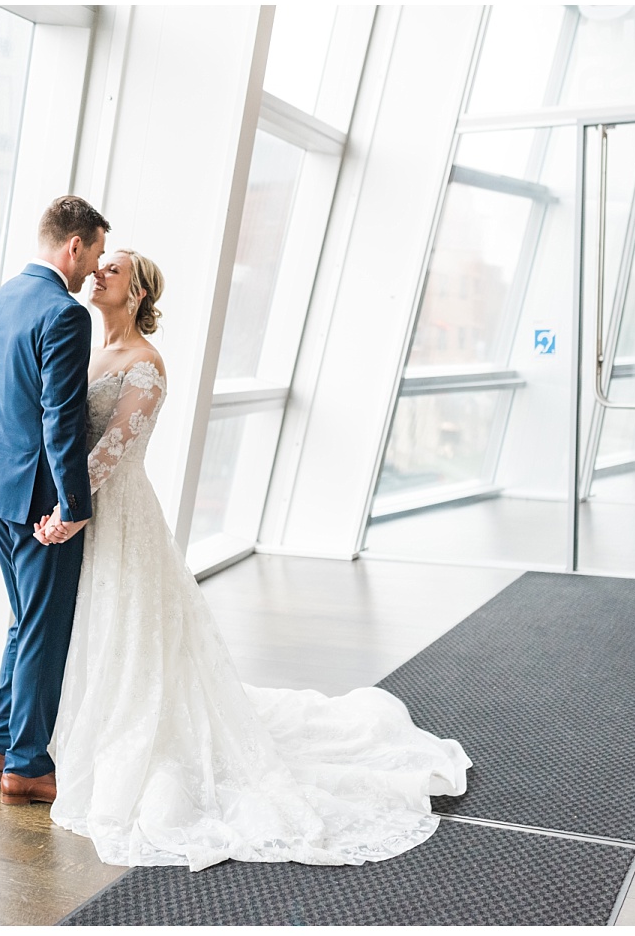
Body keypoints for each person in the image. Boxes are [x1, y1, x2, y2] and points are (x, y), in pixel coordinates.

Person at [34, 249, 472, 871]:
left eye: (115, 269)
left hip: (119, 511)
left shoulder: (146, 364)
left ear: (136, 293)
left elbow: (112, 450)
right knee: (93, 628)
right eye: (99, 265)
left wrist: (63, 511)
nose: (98, 273)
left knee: (128, 630)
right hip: (82, 513)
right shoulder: (88, 350)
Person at [0, 195, 109, 806]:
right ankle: (27, 764)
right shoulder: (65, 314)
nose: (93, 270)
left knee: (23, 620)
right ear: (73, 246)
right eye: (95, 253)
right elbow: (61, 421)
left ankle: (0, 743)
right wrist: (73, 506)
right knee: (44, 628)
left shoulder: (0, 301)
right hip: (39, 504)